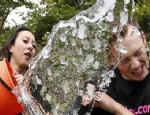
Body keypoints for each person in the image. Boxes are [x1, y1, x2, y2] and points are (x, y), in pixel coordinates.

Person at [79, 18, 150, 115]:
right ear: (111, 59)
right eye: (125, 60)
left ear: (143, 38)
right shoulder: (100, 85)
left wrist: (115, 107)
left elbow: (110, 105)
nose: (136, 65)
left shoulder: (105, 100)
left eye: (138, 52)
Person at [0, 26, 38, 115]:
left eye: (34, 45)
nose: (30, 47)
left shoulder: (36, 90)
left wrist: (26, 93)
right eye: (25, 41)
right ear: (11, 47)